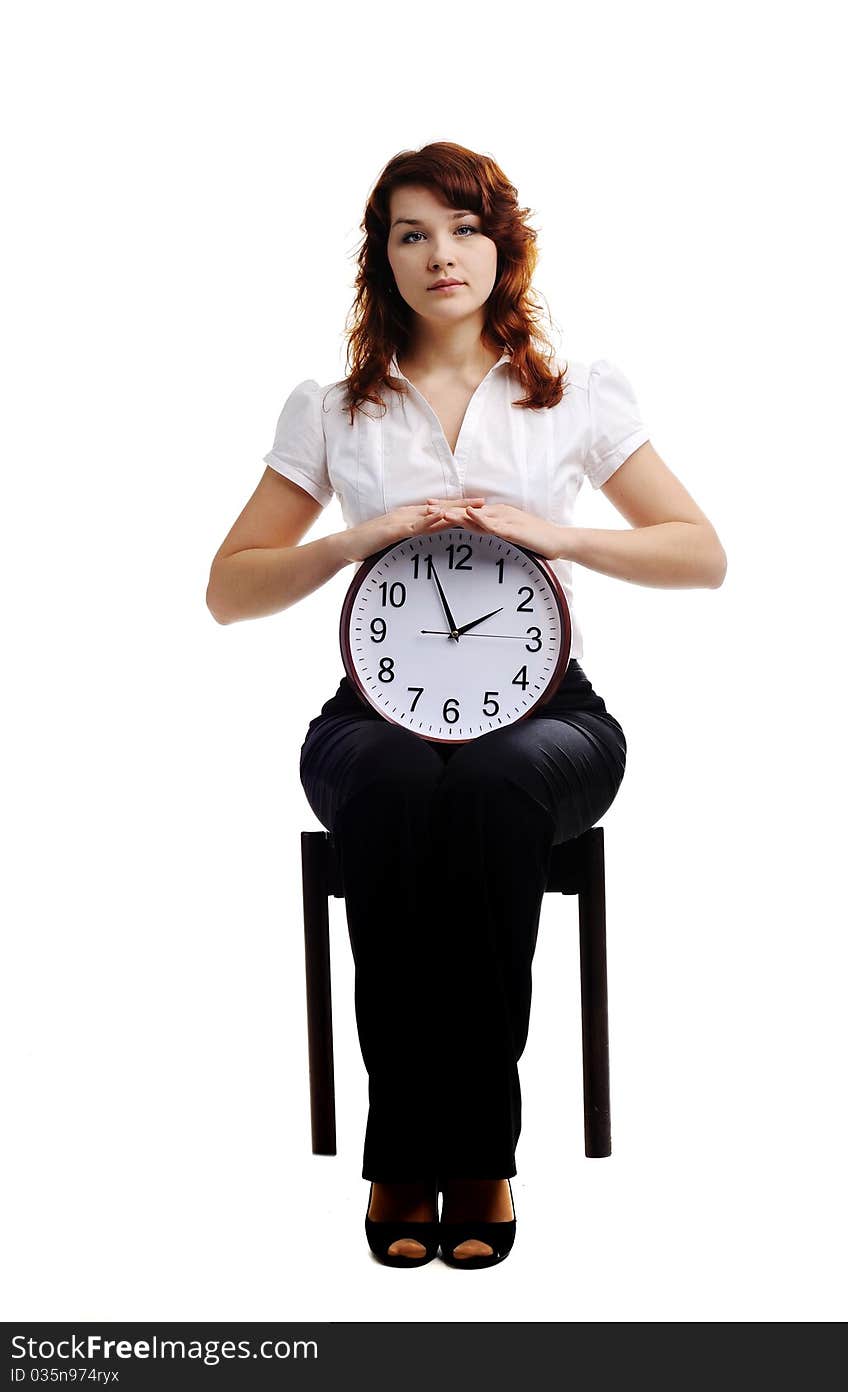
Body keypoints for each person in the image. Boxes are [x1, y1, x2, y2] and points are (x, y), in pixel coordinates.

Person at [205, 141, 727, 1269]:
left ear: (501, 244)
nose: (440, 254)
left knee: (490, 787)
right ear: (381, 259)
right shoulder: (335, 409)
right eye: (410, 233)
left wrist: (560, 533)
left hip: (548, 717)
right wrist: (357, 535)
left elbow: (701, 555)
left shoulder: (573, 395)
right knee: (394, 787)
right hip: (373, 716)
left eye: (461, 228)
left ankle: (479, 1157)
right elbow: (227, 589)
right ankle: (403, 1157)